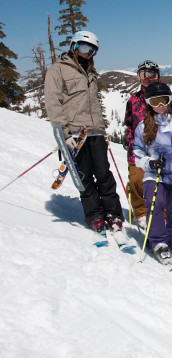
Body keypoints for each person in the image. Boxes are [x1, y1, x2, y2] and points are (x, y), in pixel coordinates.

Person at [43, 30, 125, 234]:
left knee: (104, 174)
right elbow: (53, 103)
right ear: (74, 46)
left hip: (95, 132)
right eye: (85, 48)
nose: (89, 53)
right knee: (84, 176)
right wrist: (64, 134)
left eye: (93, 50)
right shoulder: (58, 70)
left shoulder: (89, 71)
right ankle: (95, 215)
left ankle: (113, 213)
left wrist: (102, 129)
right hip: (75, 134)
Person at [132, 82, 172, 263]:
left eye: (164, 100)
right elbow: (137, 153)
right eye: (155, 101)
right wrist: (150, 163)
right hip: (154, 175)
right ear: (149, 103)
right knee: (156, 204)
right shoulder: (143, 127)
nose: (160, 105)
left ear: (169, 101)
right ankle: (158, 241)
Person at [123, 60, 172, 228]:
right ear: (139, 77)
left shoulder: (168, 98)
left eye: (151, 74)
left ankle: (164, 215)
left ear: (158, 76)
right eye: (143, 74)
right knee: (136, 180)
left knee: (164, 183)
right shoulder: (134, 99)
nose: (147, 78)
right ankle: (141, 212)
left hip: (162, 149)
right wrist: (129, 139)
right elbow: (129, 124)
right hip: (139, 149)